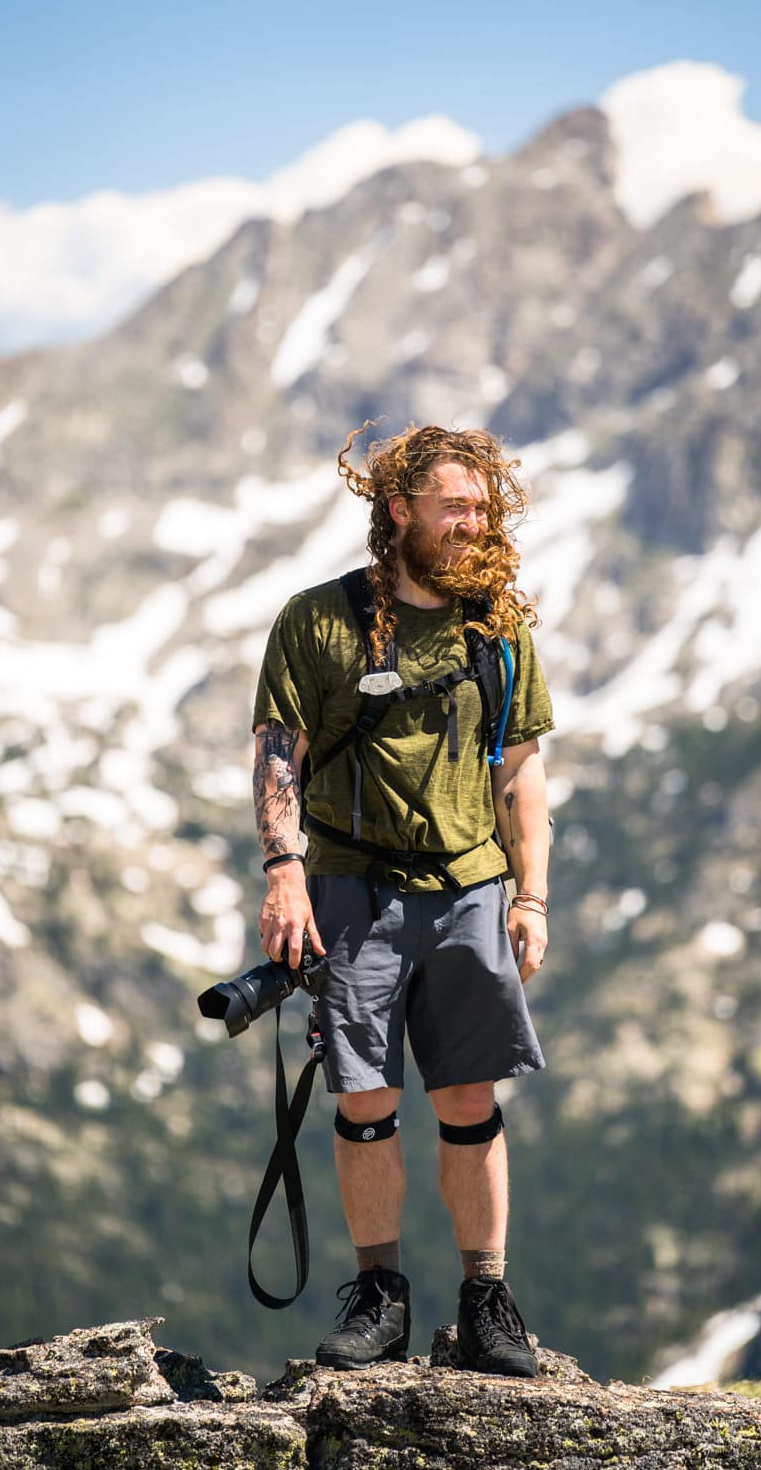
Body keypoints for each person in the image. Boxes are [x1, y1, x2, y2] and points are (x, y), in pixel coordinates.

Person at [252, 421, 553, 1376]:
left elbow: (521, 770)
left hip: (471, 888)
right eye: (453, 508)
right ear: (399, 511)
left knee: (470, 1099)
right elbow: (276, 753)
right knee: (364, 1099)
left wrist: (532, 898)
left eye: (480, 509)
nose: (471, 525)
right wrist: (283, 871)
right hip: (352, 891)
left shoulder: (497, 625)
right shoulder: (318, 620)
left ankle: (486, 1298)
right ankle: (379, 1294)